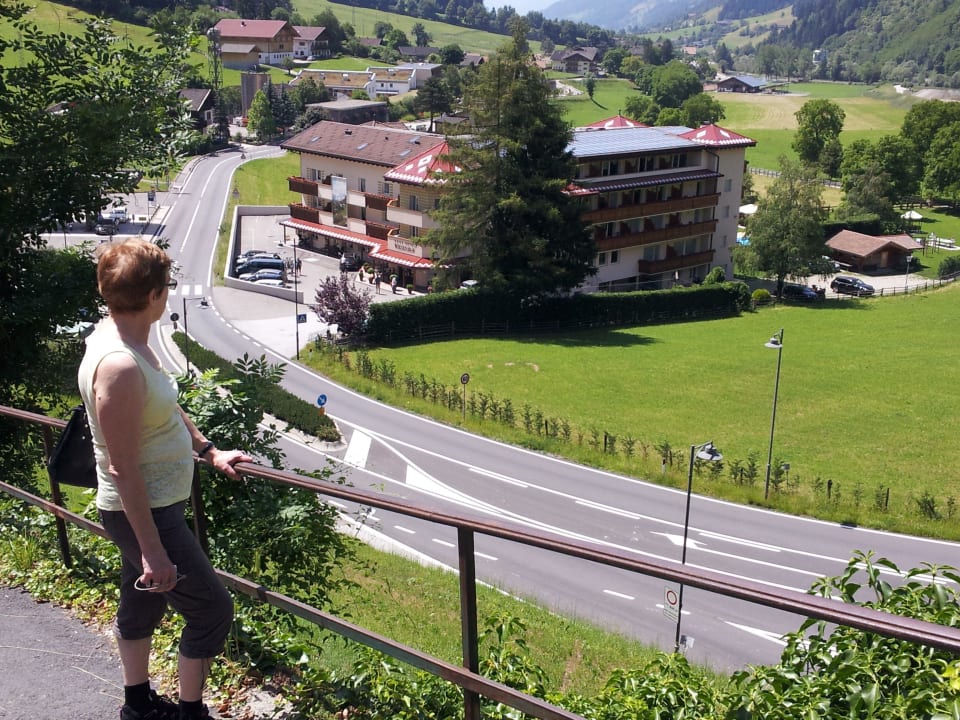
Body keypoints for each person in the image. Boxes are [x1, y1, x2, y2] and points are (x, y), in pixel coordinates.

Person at [78, 239, 252, 720]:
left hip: (150, 507)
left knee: (143, 604)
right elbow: (122, 467)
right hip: (144, 511)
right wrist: (153, 551)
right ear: (155, 294)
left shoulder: (122, 338)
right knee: (210, 610)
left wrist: (207, 450)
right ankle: (190, 713)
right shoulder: (119, 366)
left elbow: (164, 404)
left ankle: (137, 705)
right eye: (167, 286)